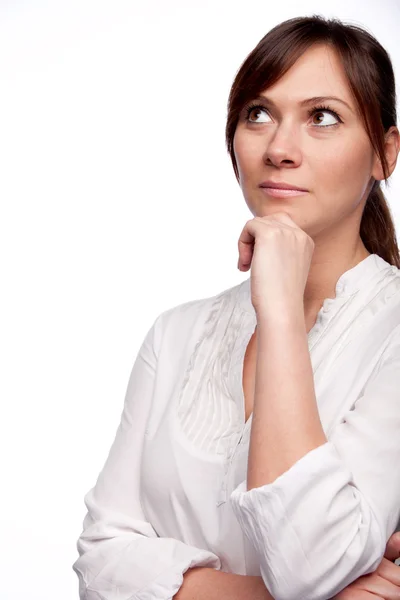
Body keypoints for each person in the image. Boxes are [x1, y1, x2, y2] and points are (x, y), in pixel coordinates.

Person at [72, 14, 400, 600]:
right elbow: (101, 562)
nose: (279, 148)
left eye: (322, 117)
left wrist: (278, 311)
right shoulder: (174, 334)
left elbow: (310, 560)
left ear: (384, 154)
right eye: (259, 114)